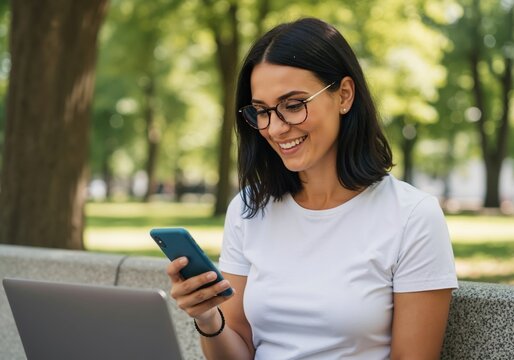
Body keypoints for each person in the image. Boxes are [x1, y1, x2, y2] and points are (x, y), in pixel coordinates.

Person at [167, 17, 458, 360]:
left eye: (293, 105)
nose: (275, 128)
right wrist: (206, 316)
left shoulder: (412, 216)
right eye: (262, 111)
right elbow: (239, 349)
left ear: (344, 95)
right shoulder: (249, 208)